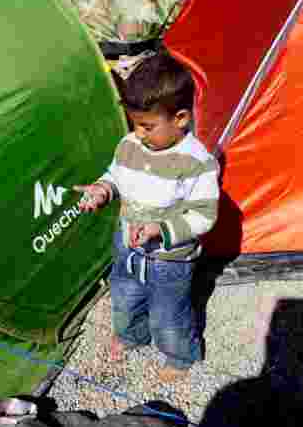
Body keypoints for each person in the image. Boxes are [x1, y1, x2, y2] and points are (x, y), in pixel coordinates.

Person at [75, 51, 219, 382]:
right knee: (124, 297)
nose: (139, 133)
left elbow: (204, 215)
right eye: (135, 124)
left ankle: (180, 355)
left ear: (181, 118)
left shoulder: (196, 162)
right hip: (127, 245)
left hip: (169, 258)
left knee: (168, 314)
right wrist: (102, 189)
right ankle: (131, 336)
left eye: (147, 126)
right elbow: (116, 175)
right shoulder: (130, 145)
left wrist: (161, 228)